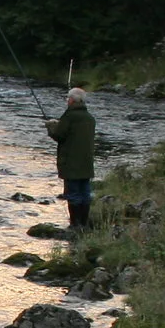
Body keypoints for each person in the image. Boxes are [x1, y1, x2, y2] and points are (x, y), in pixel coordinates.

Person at [45, 87, 95, 231]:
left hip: (71, 162)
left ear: (72, 100)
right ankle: (84, 224)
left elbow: (60, 135)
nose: (67, 100)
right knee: (85, 193)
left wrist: (50, 127)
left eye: (68, 98)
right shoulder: (90, 118)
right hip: (86, 163)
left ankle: (74, 224)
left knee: (73, 194)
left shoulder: (69, 116)